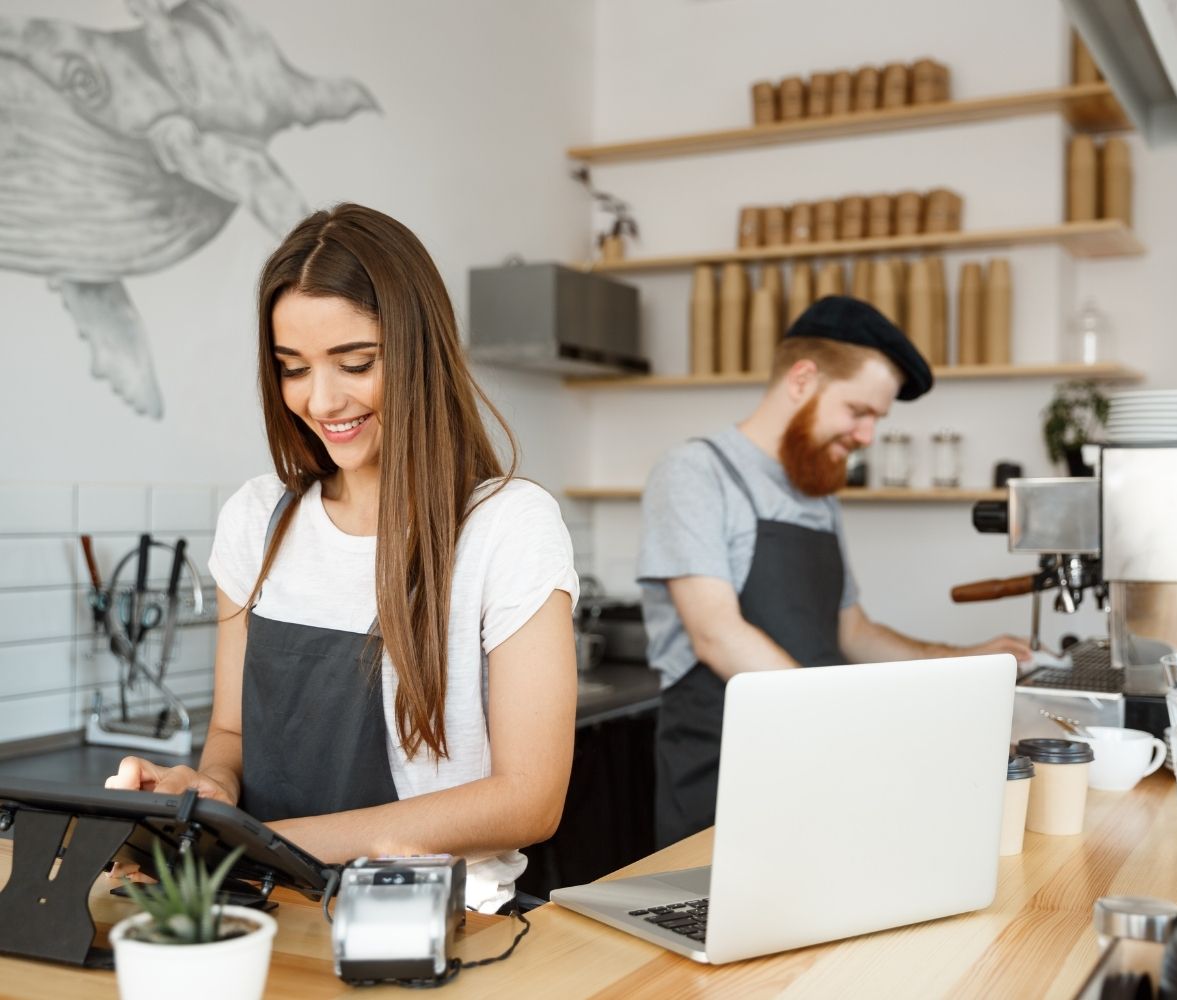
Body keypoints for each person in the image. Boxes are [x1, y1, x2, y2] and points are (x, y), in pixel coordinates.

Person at [105, 203, 579, 912]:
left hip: (432, 922)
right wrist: (209, 794)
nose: (321, 400)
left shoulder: (505, 526)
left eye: (355, 363)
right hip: (263, 908)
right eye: (292, 368)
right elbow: (231, 735)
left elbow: (528, 800)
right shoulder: (256, 521)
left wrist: (256, 838)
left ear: (419, 350)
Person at [637, 295, 1032, 848]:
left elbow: (853, 632)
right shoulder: (696, 472)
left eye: (877, 418)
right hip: (726, 780)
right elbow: (717, 634)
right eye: (859, 411)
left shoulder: (815, 494)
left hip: (817, 768)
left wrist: (962, 660)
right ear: (802, 379)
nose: (867, 435)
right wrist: (850, 729)